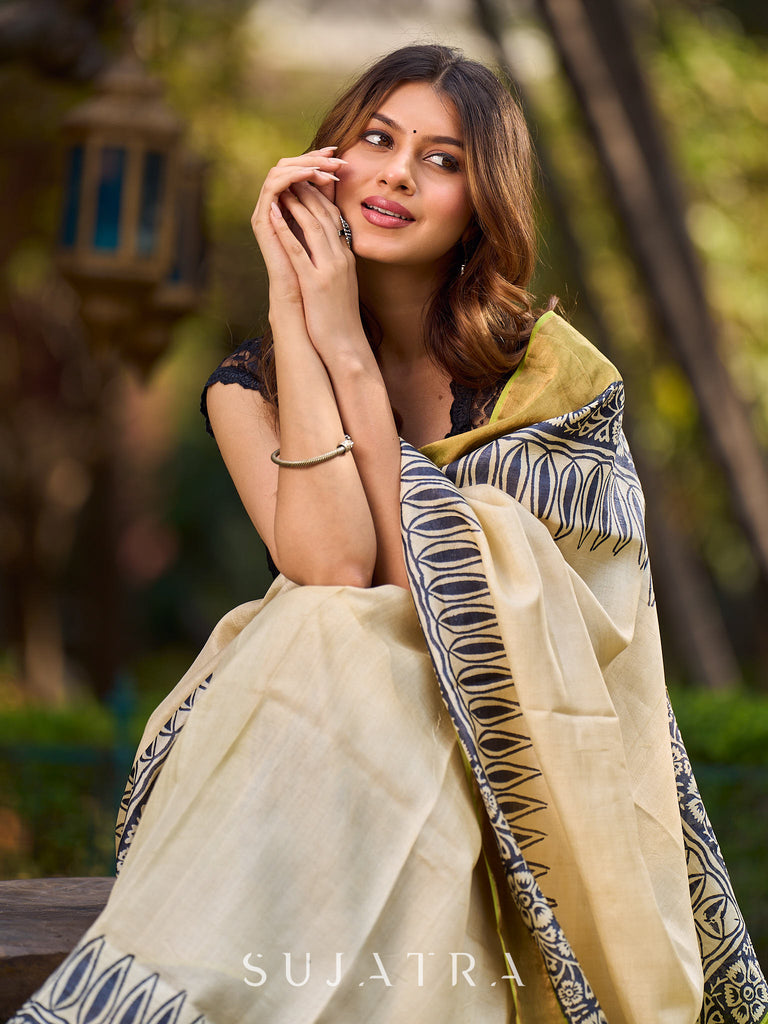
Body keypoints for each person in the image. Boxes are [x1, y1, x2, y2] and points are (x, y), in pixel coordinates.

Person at [10, 43, 766, 1024]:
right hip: (337, 758)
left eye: (443, 159)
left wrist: (349, 360)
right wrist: (298, 314)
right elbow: (330, 565)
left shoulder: (550, 383)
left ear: (480, 204)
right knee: (326, 626)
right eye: (377, 139)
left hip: (524, 786)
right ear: (329, 162)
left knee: (343, 637)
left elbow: (466, 611)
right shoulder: (251, 385)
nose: (398, 174)